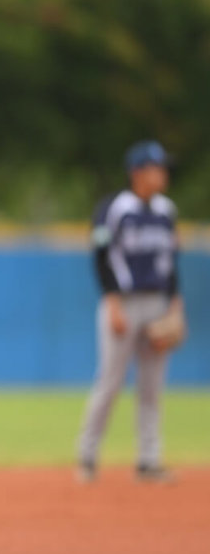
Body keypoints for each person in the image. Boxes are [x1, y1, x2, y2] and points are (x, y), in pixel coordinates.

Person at [77, 140, 184, 484]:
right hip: (122, 302)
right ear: (137, 172)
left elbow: (170, 261)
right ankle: (88, 457)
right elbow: (101, 255)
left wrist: (175, 302)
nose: (163, 174)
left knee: (152, 386)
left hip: (156, 303)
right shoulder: (115, 208)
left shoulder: (167, 211)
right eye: (157, 167)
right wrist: (112, 303)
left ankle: (149, 461)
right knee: (110, 381)